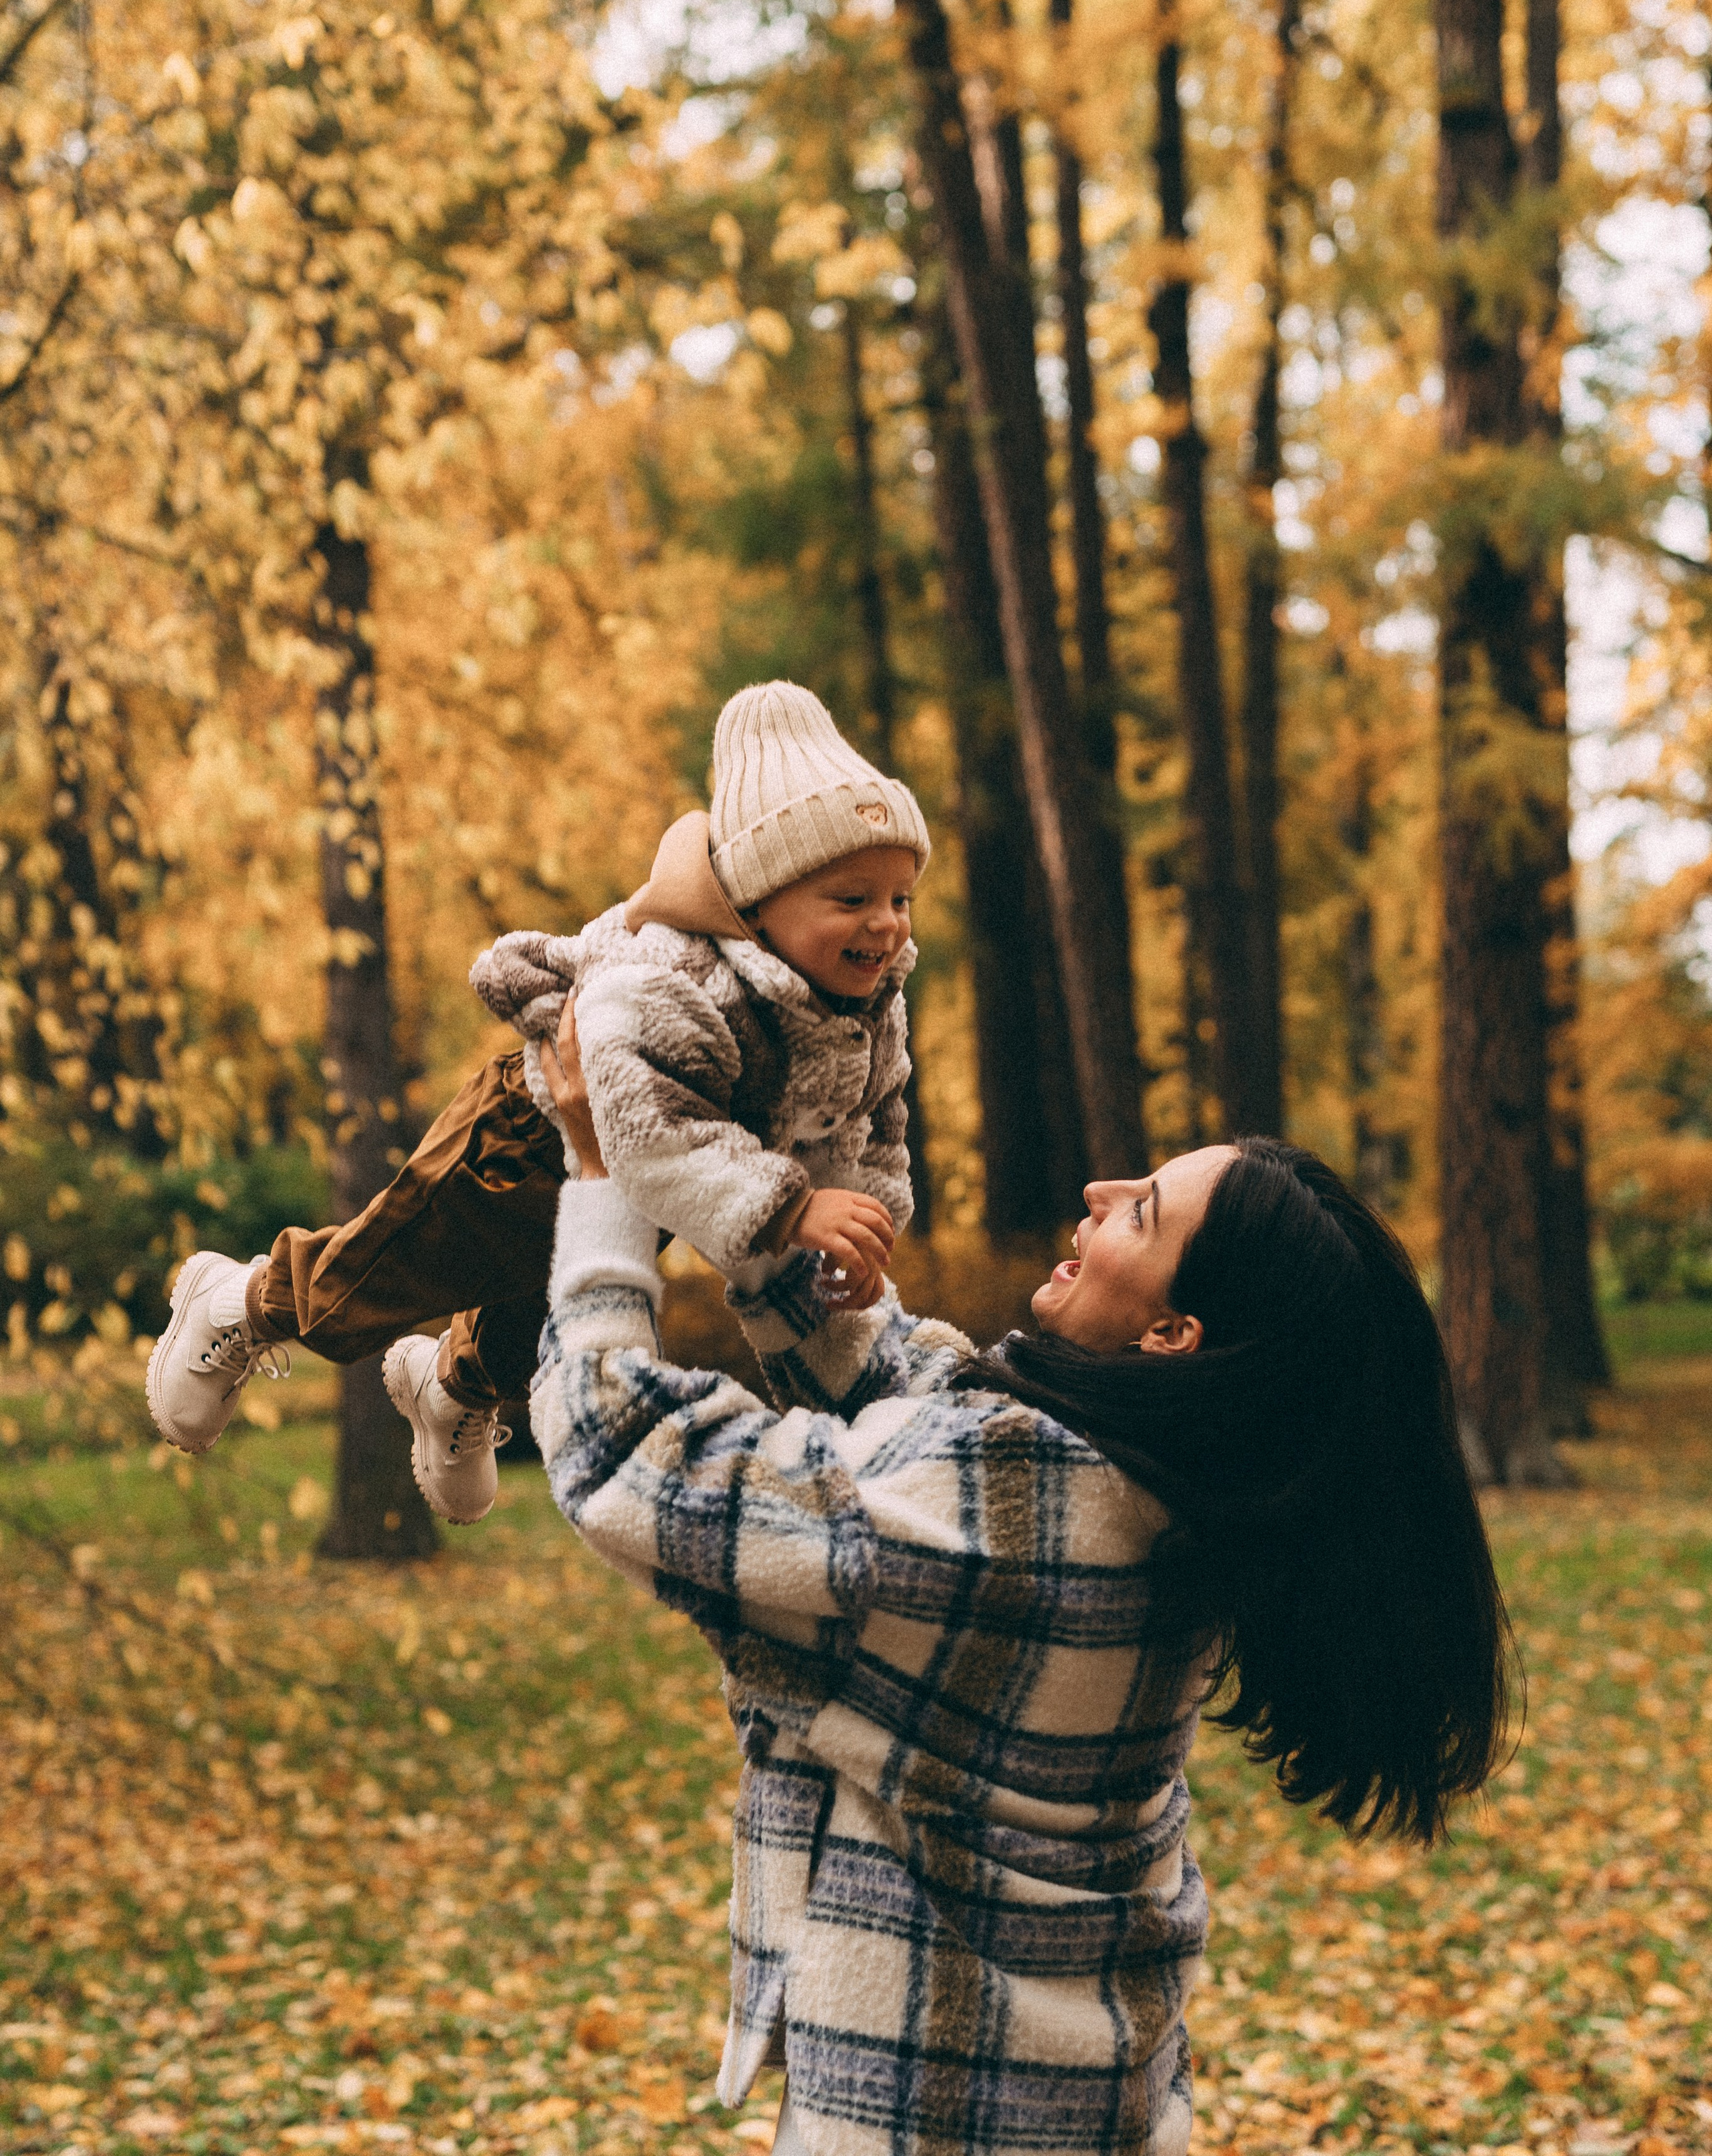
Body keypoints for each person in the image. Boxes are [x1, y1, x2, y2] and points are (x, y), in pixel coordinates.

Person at [531, 1001, 1515, 2156]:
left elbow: (628, 1459)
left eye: (1138, 1214)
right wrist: (748, 1182)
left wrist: (603, 1169)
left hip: (931, 2112)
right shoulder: (1171, 1498)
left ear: (1172, 1335)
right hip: (1086, 2097)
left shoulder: (1018, 1501)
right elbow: (892, 1374)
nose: (1099, 1194)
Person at [145, 682, 928, 1520]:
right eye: (852, 900)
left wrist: (865, 1217)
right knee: (385, 1276)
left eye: (900, 899)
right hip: (523, 1136)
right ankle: (247, 1300)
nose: (885, 925)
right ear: (756, 904)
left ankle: (447, 1389)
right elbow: (642, 1126)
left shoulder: (865, 1011)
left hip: (640, 1194)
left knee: (532, 1346)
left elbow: (872, 1124)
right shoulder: (671, 971)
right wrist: (792, 1206)